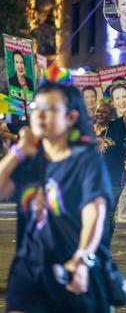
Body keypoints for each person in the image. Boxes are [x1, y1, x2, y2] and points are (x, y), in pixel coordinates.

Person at [0, 82, 113, 312]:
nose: (39, 115)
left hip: (71, 270)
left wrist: (82, 259)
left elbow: (95, 211)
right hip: (28, 272)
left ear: (71, 117)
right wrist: (17, 152)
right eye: (36, 108)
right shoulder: (28, 160)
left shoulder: (86, 161)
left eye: (49, 108)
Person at [95, 84, 126, 236]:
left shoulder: (117, 126)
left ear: (110, 114)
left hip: (113, 180)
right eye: (98, 111)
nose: (100, 114)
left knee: (106, 214)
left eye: (104, 112)